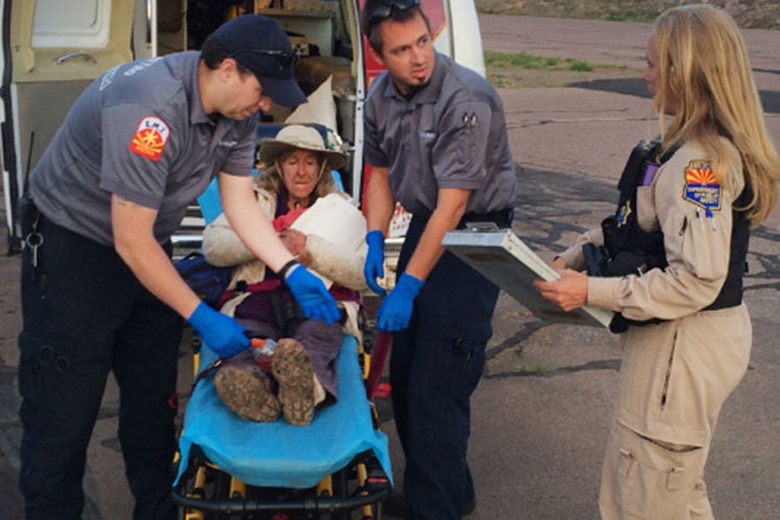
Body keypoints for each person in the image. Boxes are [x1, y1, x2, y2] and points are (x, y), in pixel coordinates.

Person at [17, 14, 340, 520]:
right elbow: (130, 240)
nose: (264, 104)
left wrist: (290, 268)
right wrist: (202, 315)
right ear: (228, 69)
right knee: (63, 410)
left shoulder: (237, 112)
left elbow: (239, 204)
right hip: (73, 252)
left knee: (152, 401)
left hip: (144, 245)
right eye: (261, 91)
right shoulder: (150, 111)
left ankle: (157, 510)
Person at [534, 5, 780, 519]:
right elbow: (631, 222)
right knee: (678, 491)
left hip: (683, 348)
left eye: (652, 64)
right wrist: (574, 256)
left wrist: (590, 292)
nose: (644, 75)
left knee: (643, 493)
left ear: (685, 73)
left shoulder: (699, 167)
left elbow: (697, 281)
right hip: (682, 345)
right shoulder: (674, 150)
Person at [359, 0, 518, 517]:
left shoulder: (464, 97)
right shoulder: (380, 97)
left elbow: (455, 203)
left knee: (439, 381)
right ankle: (449, 489)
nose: (418, 58)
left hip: (474, 234)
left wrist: (408, 287)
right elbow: (380, 173)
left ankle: (437, 508)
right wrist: (376, 238)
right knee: (404, 378)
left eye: (423, 42)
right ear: (379, 54)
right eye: (402, 50)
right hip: (429, 228)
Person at [202, 124, 368, 426]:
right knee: (247, 343)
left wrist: (310, 251)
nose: (301, 172)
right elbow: (213, 247)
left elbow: (362, 274)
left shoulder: (341, 212)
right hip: (259, 300)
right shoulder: (254, 201)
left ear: (321, 169)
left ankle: (307, 390)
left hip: (318, 303)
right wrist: (267, 239)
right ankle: (255, 391)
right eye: (292, 161)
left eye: (309, 162)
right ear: (279, 166)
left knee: (312, 344)